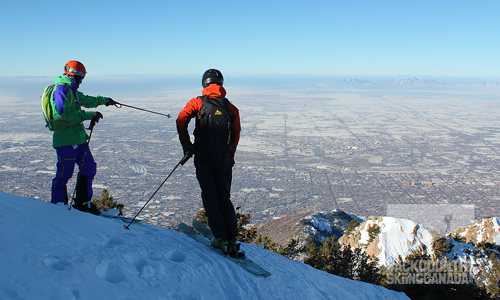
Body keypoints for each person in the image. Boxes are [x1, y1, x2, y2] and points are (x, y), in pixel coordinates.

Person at [176, 69, 242, 256]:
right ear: (221, 84)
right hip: (224, 162)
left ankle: (220, 239)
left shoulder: (197, 102)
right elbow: (236, 135)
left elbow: (181, 121)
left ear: (204, 84)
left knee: (210, 197)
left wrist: (187, 146)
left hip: (203, 160)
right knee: (224, 198)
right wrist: (230, 156)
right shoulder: (231, 108)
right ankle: (232, 239)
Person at [50, 60, 116, 214]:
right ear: (72, 76)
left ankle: (83, 203)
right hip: (66, 139)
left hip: (78, 138)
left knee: (89, 168)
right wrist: (88, 114)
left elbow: (86, 100)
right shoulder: (61, 90)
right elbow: (62, 114)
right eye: (80, 78)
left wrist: (104, 100)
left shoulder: (71, 90)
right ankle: (58, 207)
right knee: (64, 173)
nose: (81, 81)